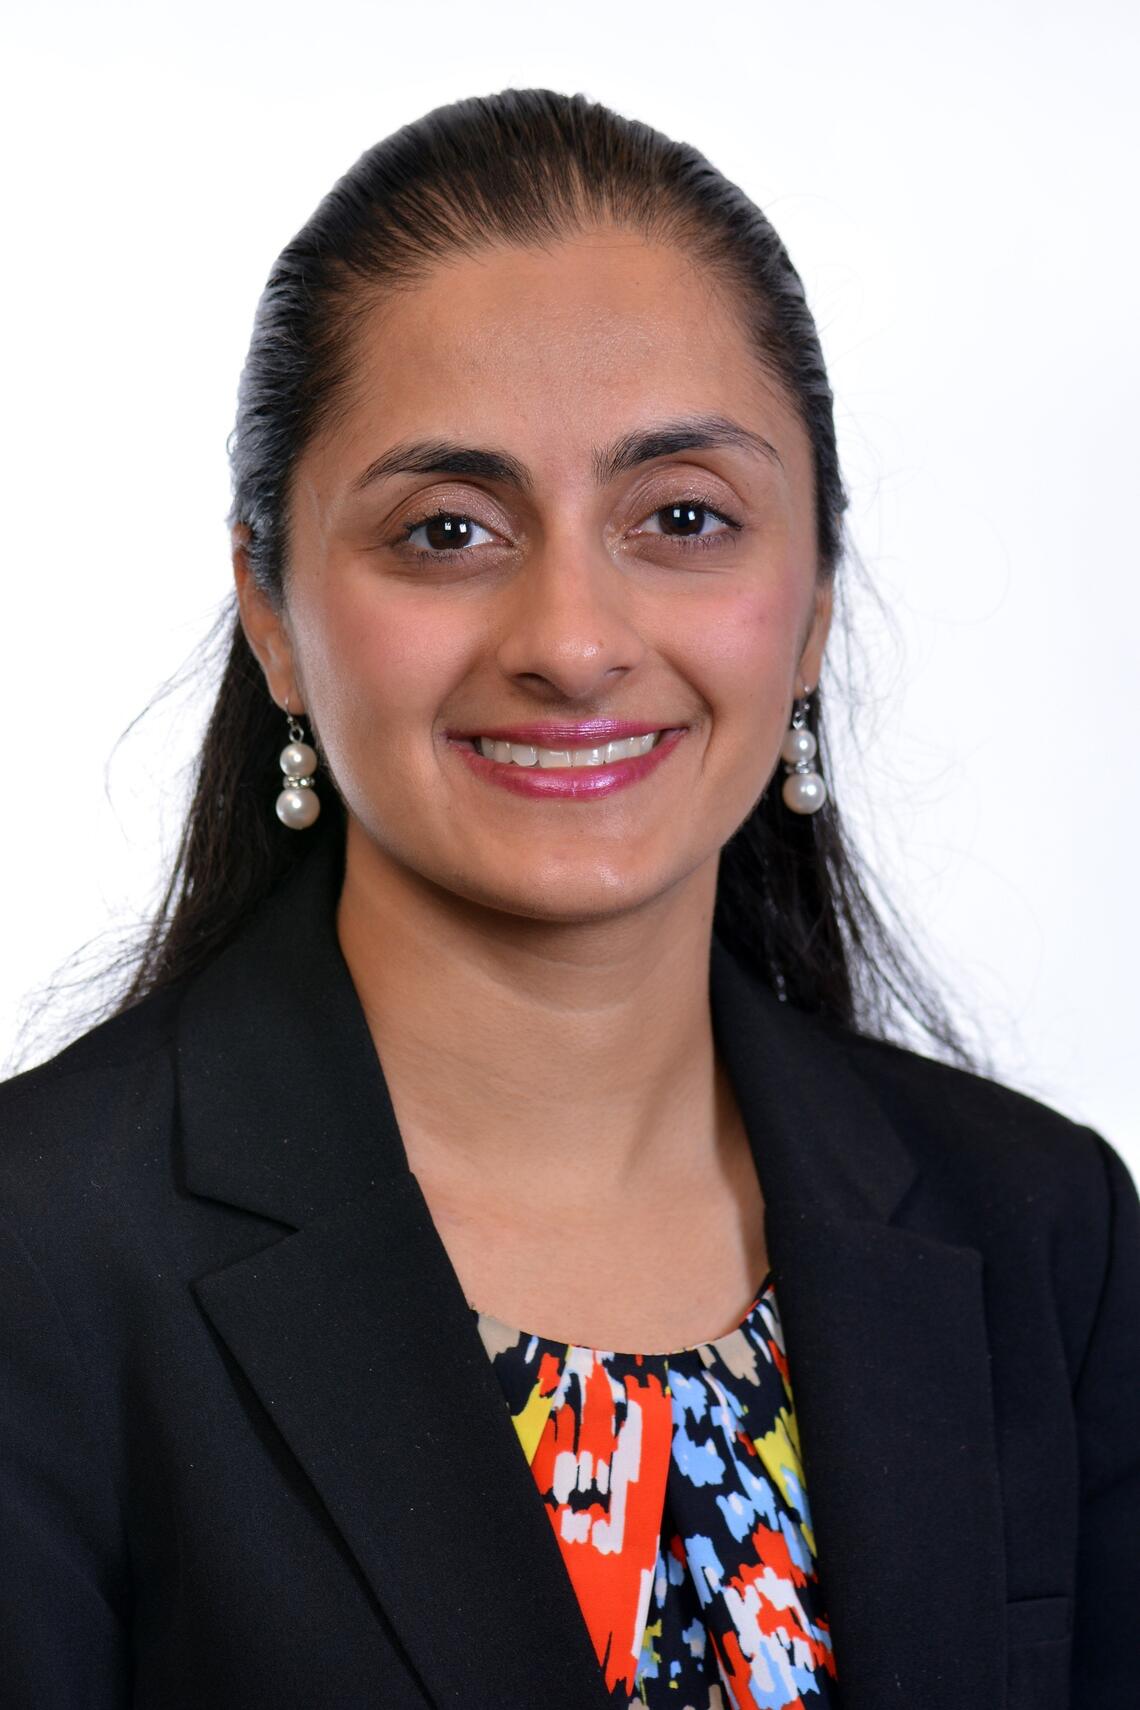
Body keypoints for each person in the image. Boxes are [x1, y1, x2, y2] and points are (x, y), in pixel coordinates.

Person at [1, 87, 1136, 1710]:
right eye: (448, 529)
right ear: (269, 607)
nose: (573, 637)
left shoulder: (1041, 1232)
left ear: (811, 597)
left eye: (681, 517)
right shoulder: (40, 1264)